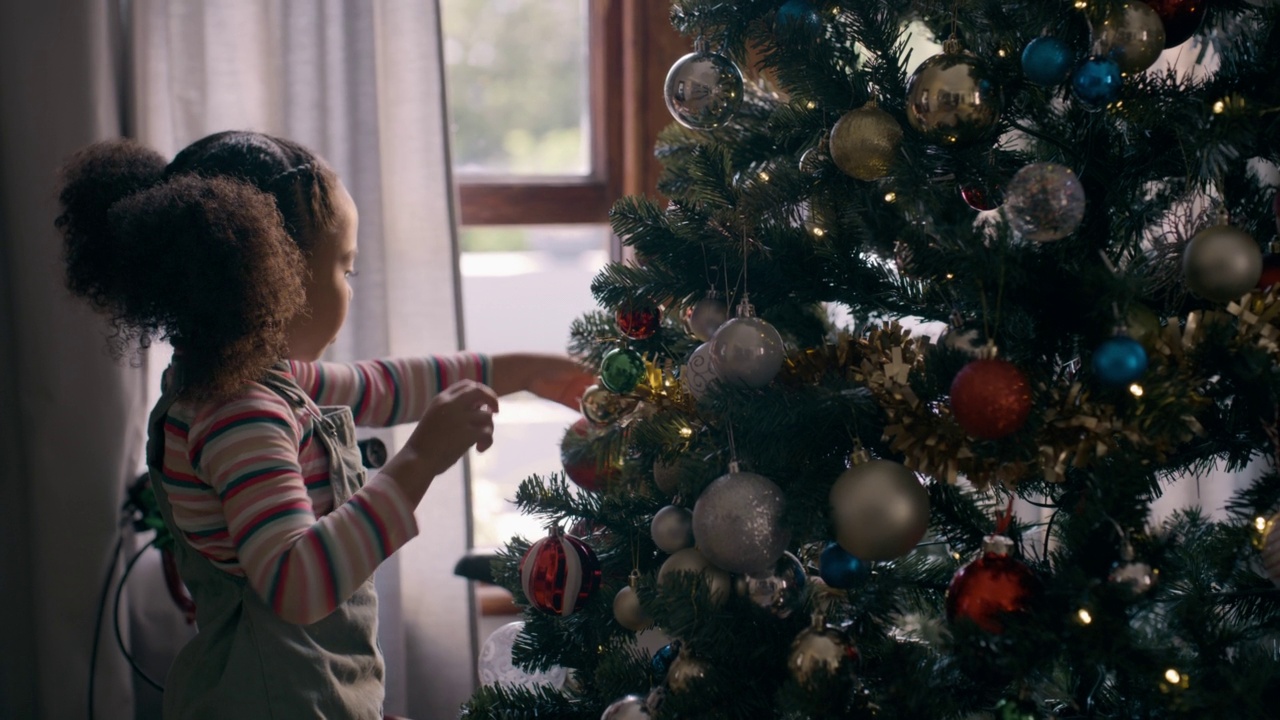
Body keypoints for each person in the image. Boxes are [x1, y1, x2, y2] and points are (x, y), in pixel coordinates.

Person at [55, 130, 594, 719]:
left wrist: (526, 373)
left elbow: (384, 386)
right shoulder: (240, 413)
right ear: (271, 278)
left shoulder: (250, 382)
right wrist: (420, 461)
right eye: (345, 269)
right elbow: (296, 582)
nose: (349, 290)